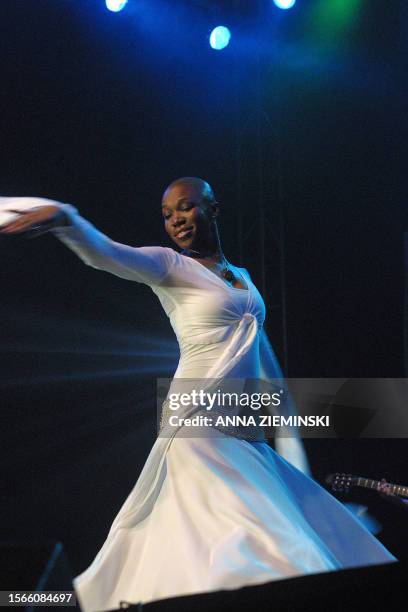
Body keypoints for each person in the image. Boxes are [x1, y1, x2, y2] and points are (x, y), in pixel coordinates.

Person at [0, 178, 397, 611]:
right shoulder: (170, 266)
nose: (176, 221)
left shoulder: (241, 276)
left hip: (243, 427)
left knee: (265, 525)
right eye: (168, 215)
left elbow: (261, 358)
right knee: (247, 526)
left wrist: (283, 428)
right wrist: (66, 220)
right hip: (198, 418)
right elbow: (107, 254)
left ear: (213, 208)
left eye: (186, 208)